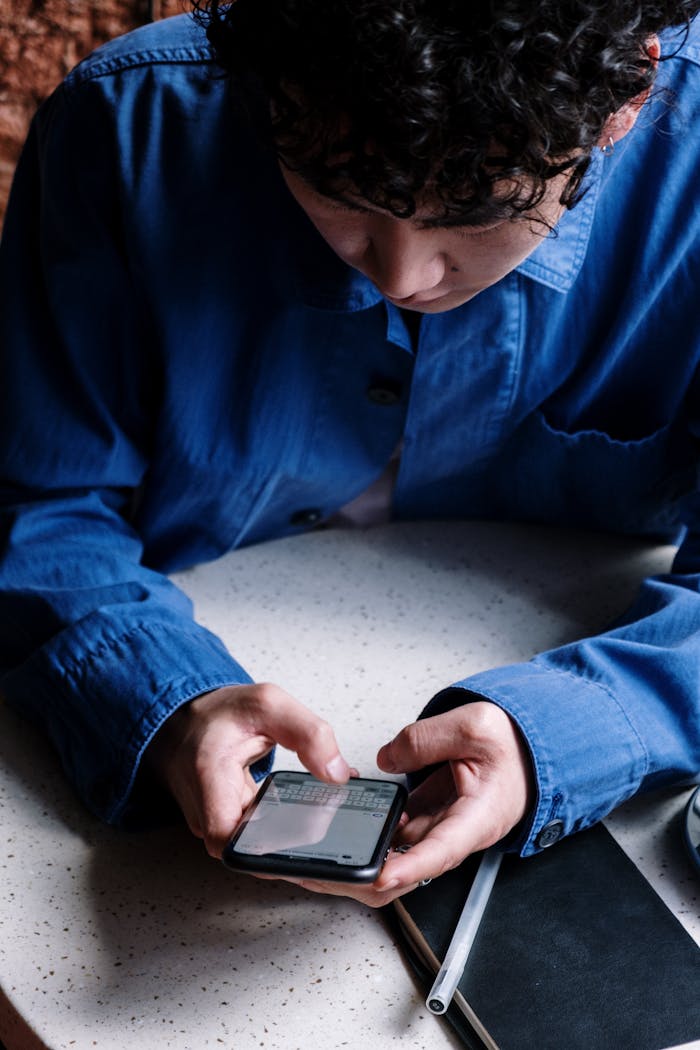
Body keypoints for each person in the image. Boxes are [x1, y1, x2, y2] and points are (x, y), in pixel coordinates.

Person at [1, 0, 699, 908]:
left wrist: (562, 735)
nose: (403, 277)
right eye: (338, 190)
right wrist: (166, 708)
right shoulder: (131, 127)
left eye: (477, 208)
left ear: (626, 101)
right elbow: (36, 506)